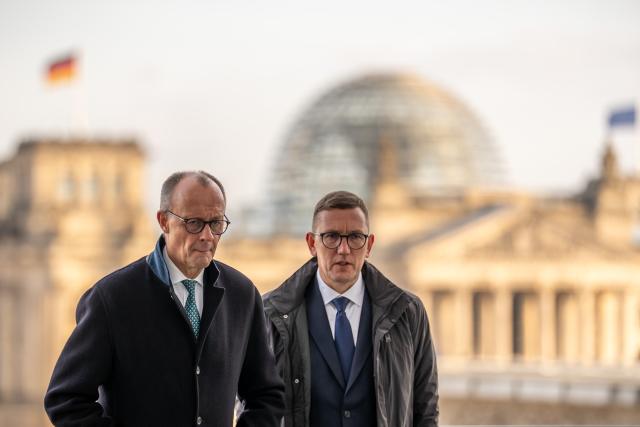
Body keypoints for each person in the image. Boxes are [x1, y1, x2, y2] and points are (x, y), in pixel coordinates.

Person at [45, 171, 285, 426]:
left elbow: (266, 395)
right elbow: (66, 399)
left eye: (216, 224)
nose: (207, 236)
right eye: (194, 223)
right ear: (164, 221)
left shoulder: (243, 294)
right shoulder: (111, 298)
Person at [263, 190, 439, 427]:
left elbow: (425, 409)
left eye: (355, 237)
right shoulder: (268, 314)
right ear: (312, 244)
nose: (343, 250)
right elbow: (252, 406)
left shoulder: (409, 312)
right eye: (332, 237)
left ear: (369, 245)